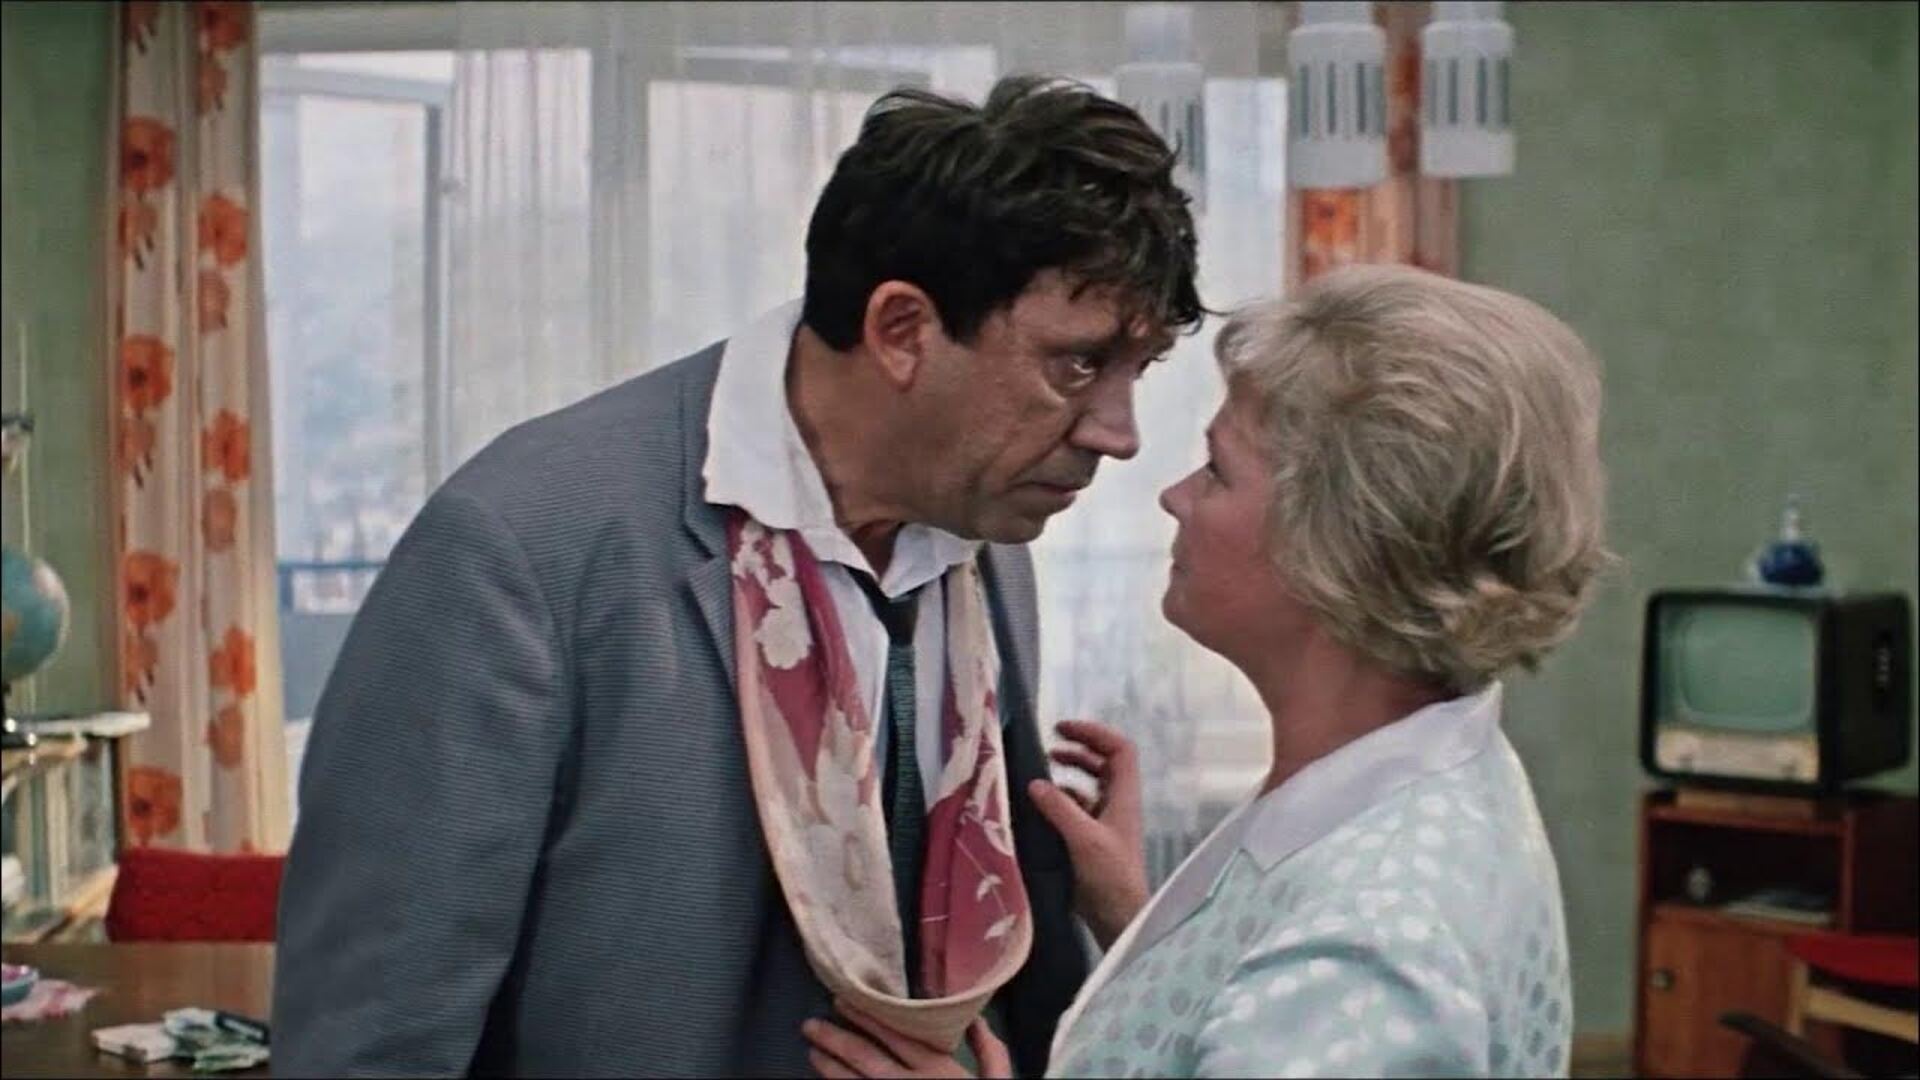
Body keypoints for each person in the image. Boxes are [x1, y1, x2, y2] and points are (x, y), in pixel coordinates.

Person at [272, 75, 1202, 1077]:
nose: (1120, 434)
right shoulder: (520, 549)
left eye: (1138, 371)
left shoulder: (987, 526)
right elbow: (372, 1040)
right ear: (901, 330)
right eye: (1077, 366)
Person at [802, 263, 1610, 1078]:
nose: (1176, 497)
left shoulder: (1370, 945)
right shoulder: (1434, 783)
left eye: (1218, 470)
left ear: (1335, 542)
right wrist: (1141, 917)